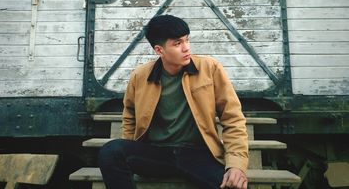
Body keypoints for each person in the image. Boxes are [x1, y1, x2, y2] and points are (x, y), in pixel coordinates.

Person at [98, 15, 249, 189]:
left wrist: (236, 165)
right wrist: (129, 148)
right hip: (155, 154)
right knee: (111, 151)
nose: (186, 48)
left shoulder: (210, 68)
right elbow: (130, 116)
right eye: (177, 44)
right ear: (159, 50)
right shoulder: (140, 76)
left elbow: (233, 118)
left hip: (198, 155)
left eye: (187, 40)